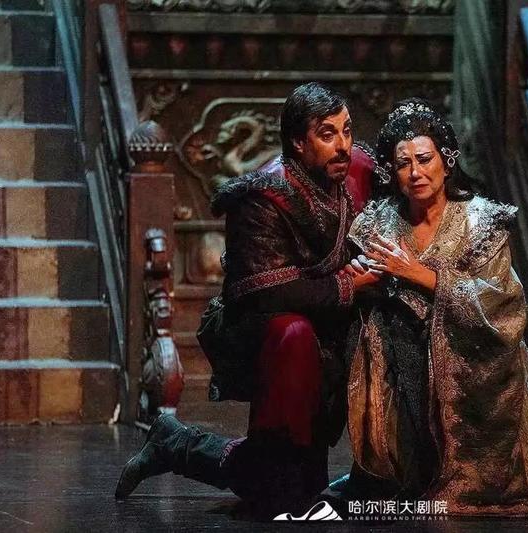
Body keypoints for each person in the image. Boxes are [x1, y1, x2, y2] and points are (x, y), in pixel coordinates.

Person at [115, 82, 382, 517]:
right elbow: (267, 290)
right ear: (298, 142)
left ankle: (173, 441)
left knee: (293, 486)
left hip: (329, 329)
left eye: (347, 131)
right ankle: (178, 444)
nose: (342, 146)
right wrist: (349, 284)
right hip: (269, 334)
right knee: (283, 493)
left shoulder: (353, 173)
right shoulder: (262, 196)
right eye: (327, 134)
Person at [333, 99, 528, 515]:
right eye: (403, 164)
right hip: (399, 360)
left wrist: (420, 274)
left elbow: (504, 305)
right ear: (391, 172)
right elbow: (364, 291)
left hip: (469, 362)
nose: (415, 172)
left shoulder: (481, 222)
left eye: (425, 159)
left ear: (447, 161)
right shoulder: (377, 222)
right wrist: (363, 281)